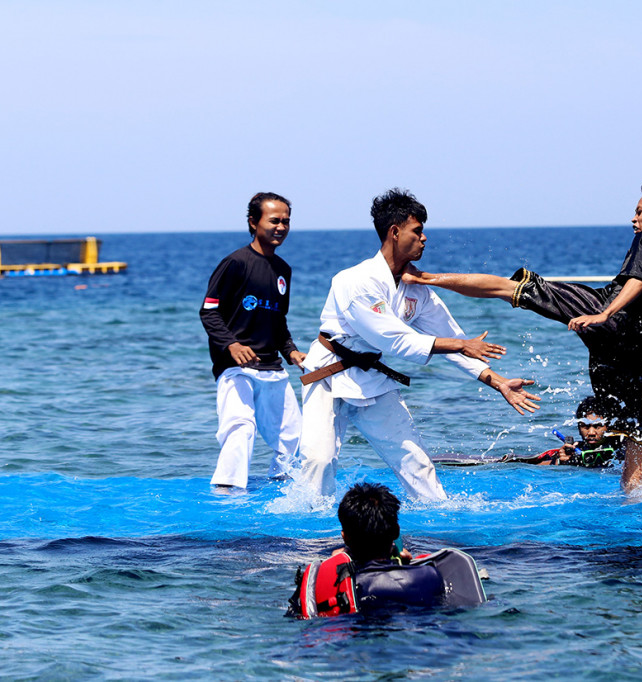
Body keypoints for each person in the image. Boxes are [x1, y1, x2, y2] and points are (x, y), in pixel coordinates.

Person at [403, 178, 642, 491]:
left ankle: (425, 278)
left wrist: (604, 314)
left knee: (514, 289)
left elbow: (637, 281)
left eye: (639, 211)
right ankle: (634, 504)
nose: (633, 219)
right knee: (633, 434)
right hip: (640, 349)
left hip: (610, 319)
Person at [297, 188, 540, 502]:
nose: (424, 238)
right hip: (328, 374)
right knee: (318, 462)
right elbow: (393, 339)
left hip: (372, 377)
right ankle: (308, 524)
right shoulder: (356, 281)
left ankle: (439, 516)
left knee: (416, 462)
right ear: (395, 232)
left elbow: (453, 337)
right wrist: (459, 345)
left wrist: (498, 381)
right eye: (417, 230)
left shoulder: (417, 289)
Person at [199, 192, 306, 488]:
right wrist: (231, 344)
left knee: (294, 435)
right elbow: (208, 311)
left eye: (286, 221)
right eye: (274, 220)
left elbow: (278, 320)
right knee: (241, 427)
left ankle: (282, 483)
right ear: (253, 222)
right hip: (235, 368)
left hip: (271, 366)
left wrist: (291, 351)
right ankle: (228, 490)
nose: (281, 227)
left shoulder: (283, 270)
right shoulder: (235, 263)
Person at [287, 482, 487, 617]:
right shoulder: (430, 576)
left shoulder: (343, 584)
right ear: (396, 531)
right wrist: (403, 566)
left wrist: (339, 564)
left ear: (345, 537)